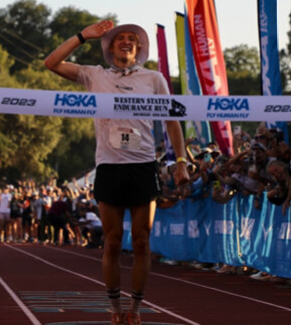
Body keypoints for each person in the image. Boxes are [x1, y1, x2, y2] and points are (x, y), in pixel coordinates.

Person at [45, 20, 189, 325]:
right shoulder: (95, 75)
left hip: (143, 166)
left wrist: (181, 161)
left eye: (132, 39)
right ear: (110, 47)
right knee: (112, 241)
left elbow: (172, 120)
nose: (126, 42)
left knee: (141, 241)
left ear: (139, 48)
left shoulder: (154, 79)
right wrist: (84, 35)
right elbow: (51, 63)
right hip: (109, 166)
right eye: (119, 38)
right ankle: (114, 307)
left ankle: (135, 308)